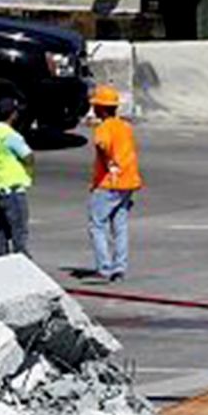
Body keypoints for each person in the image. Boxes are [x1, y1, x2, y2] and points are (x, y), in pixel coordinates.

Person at [87, 85, 142, 282]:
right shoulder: (124, 126)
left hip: (108, 183)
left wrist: (108, 162)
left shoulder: (104, 127)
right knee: (119, 226)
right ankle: (119, 268)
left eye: (95, 106)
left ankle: (104, 267)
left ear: (101, 108)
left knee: (97, 225)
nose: (93, 109)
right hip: (128, 182)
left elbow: (100, 145)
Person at [0, 97, 34, 256]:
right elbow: (27, 156)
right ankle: (22, 262)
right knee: (18, 229)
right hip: (13, 189)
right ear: (13, 115)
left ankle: (0, 261)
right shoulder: (10, 135)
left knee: (3, 229)